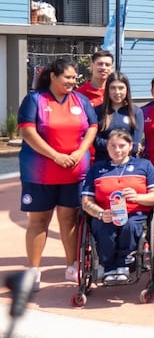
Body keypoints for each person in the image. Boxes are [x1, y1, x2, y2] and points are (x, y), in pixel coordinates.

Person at [17, 58, 98, 291]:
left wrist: (80, 151)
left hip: (74, 172)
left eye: (75, 78)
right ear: (53, 76)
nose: (73, 81)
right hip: (39, 173)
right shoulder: (35, 100)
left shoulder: (81, 101)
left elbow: (92, 127)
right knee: (39, 222)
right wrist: (56, 156)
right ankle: (33, 270)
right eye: (68, 77)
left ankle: (72, 265)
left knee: (70, 220)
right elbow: (28, 133)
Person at [81, 130, 154, 284]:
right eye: (113, 146)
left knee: (129, 226)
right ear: (107, 147)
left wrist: (137, 197)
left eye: (122, 146)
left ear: (131, 146)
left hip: (135, 213)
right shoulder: (96, 169)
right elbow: (86, 202)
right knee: (104, 226)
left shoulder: (144, 165)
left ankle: (124, 264)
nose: (117, 150)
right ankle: (108, 267)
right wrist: (100, 213)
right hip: (106, 213)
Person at [93, 72, 144, 163]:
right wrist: (121, 145)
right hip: (103, 163)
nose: (117, 92)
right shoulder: (97, 111)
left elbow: (135, 144)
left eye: (121, 88)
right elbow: (96, 141)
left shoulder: (136, 112)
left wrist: (110, 144)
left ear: (127, 89)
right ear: (107, 90)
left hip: (129, 164)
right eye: (113, 88)